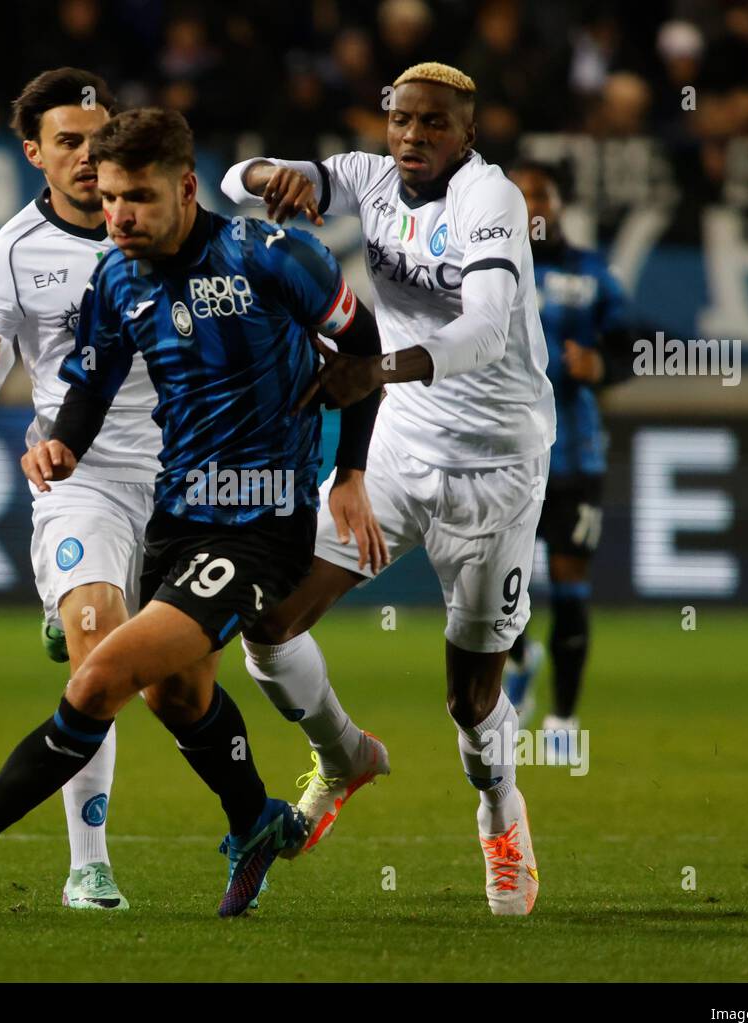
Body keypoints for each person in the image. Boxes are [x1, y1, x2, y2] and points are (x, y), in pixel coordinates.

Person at [0, 106, 386, 917]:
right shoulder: (117, 276)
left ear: (188, 188)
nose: (118, 216)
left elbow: (365, 348)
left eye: (139, 198)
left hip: (262, 525)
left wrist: (350, 473)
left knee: (102, 678)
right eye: (111, 198)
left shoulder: (273, 257)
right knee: (175, 698)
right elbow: (90, 382)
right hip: (177, 516)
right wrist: (65, 446)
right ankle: (255, 817)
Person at [222, 61, 554, 915]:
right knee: (267, 622)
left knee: (471, 701)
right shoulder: (367, 178)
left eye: (434, 124)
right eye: (402, 120)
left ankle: (500, 812)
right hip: (403, 452)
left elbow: (482, 332)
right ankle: (343, 756)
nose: (413, 136)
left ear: (466, 134)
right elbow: (231, 181)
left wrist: (374, 369)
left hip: (496, 468)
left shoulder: (492, 203)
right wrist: (273, 178)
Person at [0, 67, 152, 911]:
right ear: (34, 153)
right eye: (67, 142)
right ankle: (88, 865)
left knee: (187, 686)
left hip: (185, 474)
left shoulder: (159, 227)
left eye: (98, 142)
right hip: (81, 476)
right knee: (98, 651)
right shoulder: (14, 252)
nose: (86, 157)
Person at [502, 159, 634, 759]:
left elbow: (632, 342)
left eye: (542, 195)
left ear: (556, 204)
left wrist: (603, 366)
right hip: (504, 453)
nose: (534, 205)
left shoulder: (591, 273)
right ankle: (522, 655)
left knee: (569, 579)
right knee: (502, 583)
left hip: (575, 453)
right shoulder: (486, 267)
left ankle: (561, 722)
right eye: (521, 195)